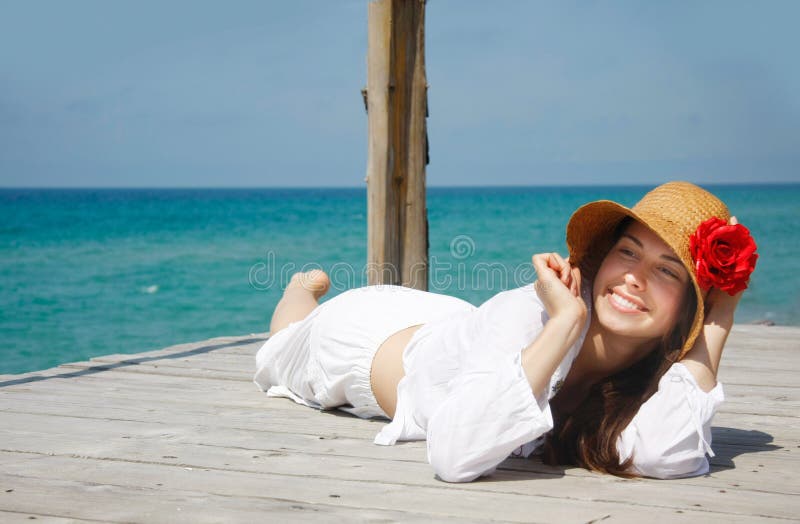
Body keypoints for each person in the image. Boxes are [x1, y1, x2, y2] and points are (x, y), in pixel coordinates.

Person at [254, 181, 758, 482]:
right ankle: (299, 290)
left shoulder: (657, 371)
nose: (634, 277)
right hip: (360, 340)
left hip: (456, 327)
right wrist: (564, 323)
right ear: (604, 258)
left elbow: (668, 454)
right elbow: (453, 458)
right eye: (628, 251)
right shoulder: (538, 313)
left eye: (668, 271)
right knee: (280, 347)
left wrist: (717, 324)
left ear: (694, 301)